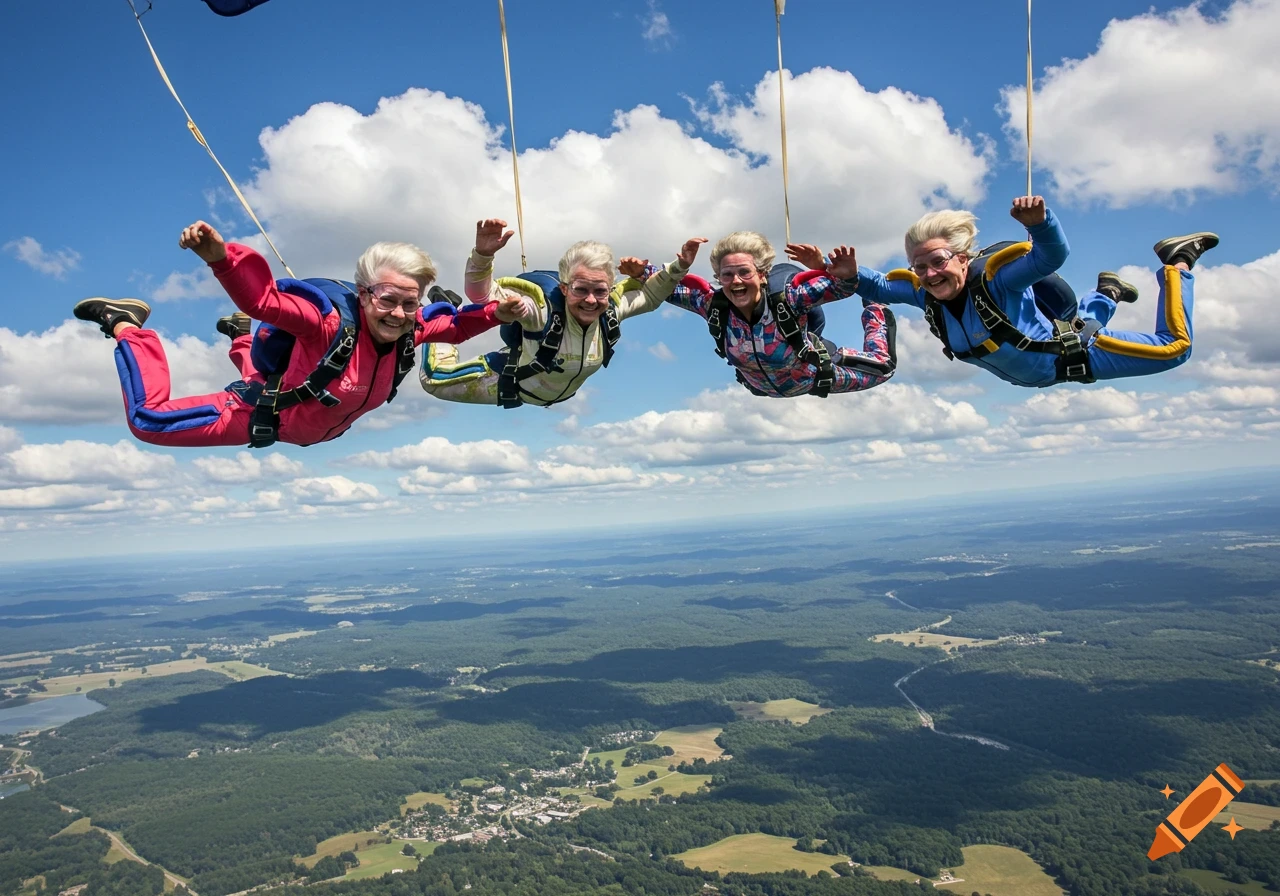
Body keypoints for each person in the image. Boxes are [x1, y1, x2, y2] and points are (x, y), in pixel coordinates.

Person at [73, 221, 517, 448]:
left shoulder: (410, 328)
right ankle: (126, 324)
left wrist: (500, 310)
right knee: (149, 421)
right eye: (386, 299)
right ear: (363, 294)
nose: (399, 313)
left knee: (285, 376)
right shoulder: (323, 324)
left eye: (409, 301)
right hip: (256, 415)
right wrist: (220, 257)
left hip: (302, 416)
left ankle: (240, 337)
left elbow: (457, 327)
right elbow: (263, 301)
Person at [848, 195, 1216, 387]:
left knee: (1174, 350)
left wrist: (1041, 224)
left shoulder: (999, 281)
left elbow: (1050, 257)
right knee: (1079, 323)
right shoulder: (926, 295)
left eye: (938, 261)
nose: (929, 274)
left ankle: (1177, 262)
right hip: (1052, 365)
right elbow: (879, 285)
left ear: (963, 258)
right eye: (919, 266)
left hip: (1078, 359)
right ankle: (1108, 291)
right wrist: (839, 271)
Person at [420, 219, 700, 408]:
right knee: (433, 380)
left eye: (600, 291)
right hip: (513, 383)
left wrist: (679, 267)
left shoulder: (610, 309)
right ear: (565, 288)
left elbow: (651, 296)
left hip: (549, 389)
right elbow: (482, 296)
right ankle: (440, 313)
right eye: (580, 290)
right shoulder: (539, 310)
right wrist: (482, 255)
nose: (591, 300)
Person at [622, 231, 896, 398]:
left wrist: (830, 267)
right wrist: (642, 274)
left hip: (815, 377)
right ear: (719, 278)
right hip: (761, 386)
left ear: (762, 275)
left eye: (745, 272)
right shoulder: (714, 306)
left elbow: (841, 288)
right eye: (727, 275)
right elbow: (669, 289)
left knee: (883, 368)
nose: (736, 281)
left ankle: (876, 310)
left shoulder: (790, 299)